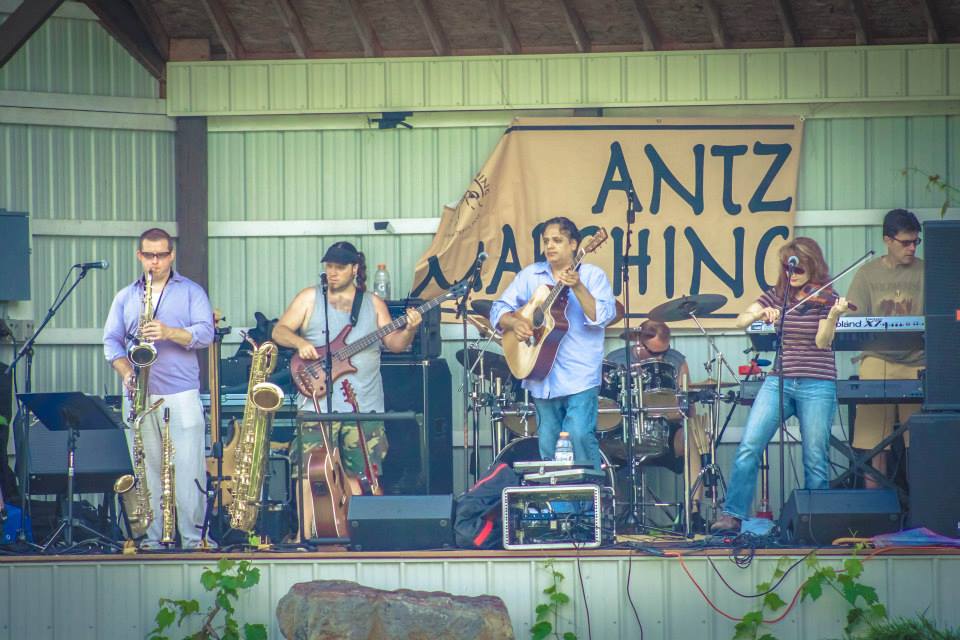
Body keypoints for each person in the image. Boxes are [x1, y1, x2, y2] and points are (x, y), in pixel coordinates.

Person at [271, 241, 421, 534]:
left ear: (355, 269)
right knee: (307, 474)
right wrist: (301, 343)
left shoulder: (373, 303)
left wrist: (411, 328)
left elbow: (396, 345)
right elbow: (279, 331)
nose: (333, 273)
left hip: (363, 407)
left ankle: (357, 534)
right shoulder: (309, 299)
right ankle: (304, 536)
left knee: (362, 475)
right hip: (315, 405)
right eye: (328, 267)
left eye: (339, 268)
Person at [712, 237, 849, 532]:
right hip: (780, 380)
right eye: (789, 269)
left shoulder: (826, 297)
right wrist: (761, 313)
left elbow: (822, 341)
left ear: (813, 266)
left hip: (818, 383)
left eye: (799, 268)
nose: (793, 275)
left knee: (815, 454)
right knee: (750, 444)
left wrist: (834, 315)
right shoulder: (777, 294)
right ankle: (732, 514)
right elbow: (740, 320)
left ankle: (816, 523)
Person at [103, 228, 214, 549]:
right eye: (149, 255)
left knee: (189, 466)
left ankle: (195, 539)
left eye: (162, 255)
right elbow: (111, 340)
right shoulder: (126, 296)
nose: (156, 261)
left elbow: (206, 334)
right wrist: (125, 370)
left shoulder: (192, 292)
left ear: (172, 255)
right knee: (146, 469)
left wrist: (167, 332)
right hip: (139, 393)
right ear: (139, 256)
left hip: (179, 391)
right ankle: (152, 540)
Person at [490, 217, 617, 470]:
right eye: (546, 241)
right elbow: (498, 309)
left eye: (557, 240)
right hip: (540, 376)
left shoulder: (592, 276)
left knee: (579, 437)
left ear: (574, 245)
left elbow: (602, 317)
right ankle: (559, 506)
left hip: (579, 375)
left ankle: (589, 505)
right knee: (548, 444)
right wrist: (515, 323)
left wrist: (578, 286)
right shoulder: (530, 275)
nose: (550, 246)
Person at [844, 209, 924, 488]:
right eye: (905, 242)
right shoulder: (867, 274)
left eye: (916, 242)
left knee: (922, 442)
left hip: (918, 361)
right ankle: (873, 506)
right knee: (874, 441)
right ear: (887, 240)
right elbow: (853, 321)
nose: (912, 248)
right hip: (877, 358)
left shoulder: (927, 271)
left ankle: (922, 506)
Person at [605, 320, 704, 510]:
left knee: (690, 438)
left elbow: (687, 410)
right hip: (622, 435)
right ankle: (615, 514)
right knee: (594, 446)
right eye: (654, 353)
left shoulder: (677, 360)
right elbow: (606, 409)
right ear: (638, 343)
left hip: (664, 433)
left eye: (664, 352)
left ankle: (694, 512)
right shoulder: (616, 360)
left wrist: (676, 408)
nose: (660, 358)